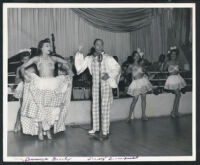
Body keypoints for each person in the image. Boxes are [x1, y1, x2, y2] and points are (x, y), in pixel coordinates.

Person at [20, 38, 73, 140]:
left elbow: (68, 62)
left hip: (52, 85)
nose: (49, 47)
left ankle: (47, 129)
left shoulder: (53, 58)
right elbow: (22, 67)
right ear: (41, 48)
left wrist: (68, 68)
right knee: (40, 108)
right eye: (47, 46)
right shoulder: (37, 58)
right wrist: (24, 76)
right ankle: (40, 129)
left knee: (51, 109)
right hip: (41, 84)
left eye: (50, 46)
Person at [74, 39, 121, 138]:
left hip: (105, 85)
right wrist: (79, 54)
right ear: (94, 46)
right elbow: (79, 68)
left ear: (103, 46)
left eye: (100, 44)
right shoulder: (90, 58)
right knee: (95, 107)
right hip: (95, 85)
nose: (99, 46)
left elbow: (117, 68)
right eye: (97, 44)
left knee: (105, 107)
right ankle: (95, 128)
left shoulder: (108, 58)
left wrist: (109, 75)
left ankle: (105, 129)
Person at [126, 50, 153, 122]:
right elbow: (127, 72)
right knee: (135, 99)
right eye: (135, 56)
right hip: (136, 83)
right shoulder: (131, 65)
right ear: (133, 57)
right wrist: (130, 71)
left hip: (143, 82)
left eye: (138, 56)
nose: (137, 57)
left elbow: (144, 71)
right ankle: (129, 116)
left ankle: (143, 115)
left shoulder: (141, 64)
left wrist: (146, 72)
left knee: (144, 98)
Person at [13, 49, 36, 132]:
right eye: (25, 59)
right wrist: (23, 79)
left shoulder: (33, 67)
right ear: (22, 60)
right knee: (23, 106)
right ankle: (17, 123)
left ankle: (31, 127)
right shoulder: (19, 68)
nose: (27, 61)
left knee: (33, 106)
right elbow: (16, 80)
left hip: (33, 88)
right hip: (24, 87)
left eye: (28, 59)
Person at [164, 46, 186, 118]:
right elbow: (163, 69)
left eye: (175, 54)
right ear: (170, 55)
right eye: (172, 54)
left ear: (176, 55)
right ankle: (173, 112)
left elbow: (181, 69)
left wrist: (181, 69)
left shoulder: (177, 62)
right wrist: (164, 64)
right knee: (178, 94)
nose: (173, 55)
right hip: (172, 79)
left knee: (178, 95)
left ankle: (176, 112)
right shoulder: (168, 62)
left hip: (178, 78)